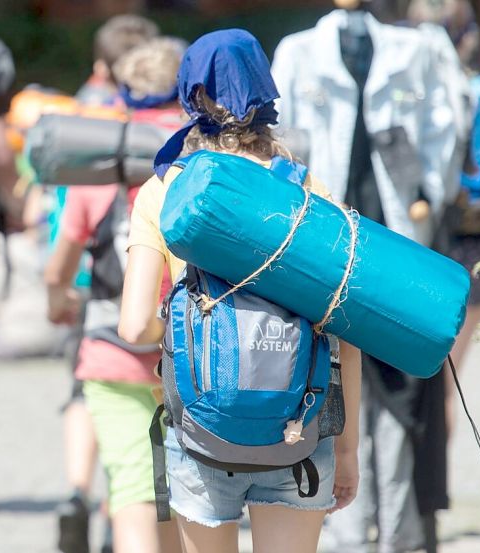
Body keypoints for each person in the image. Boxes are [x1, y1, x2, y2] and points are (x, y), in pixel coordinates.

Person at [117, 29, 362, 553]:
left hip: (202, 429)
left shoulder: (165, 190)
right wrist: (347, 451)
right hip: (299, 429)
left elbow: (134, 327)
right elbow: (345, 331)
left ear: (190, 94)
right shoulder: (307, 191)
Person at [272, 2, 459, 551]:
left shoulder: (415, 50)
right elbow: (282, 139)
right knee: (330, 382)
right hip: (325, 246)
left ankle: (400, 532)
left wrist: (428, 194)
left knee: (400, 389)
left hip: (396, 241)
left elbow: (444, 130)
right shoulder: (299, 53)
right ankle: (348, 533)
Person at [45, 37, 184, 553]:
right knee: (182, 495)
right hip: (191, 357)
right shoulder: (200, 168)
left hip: (111, 350)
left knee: (133, 488)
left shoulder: (100, 172)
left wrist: (58, 301)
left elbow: (60, 268)